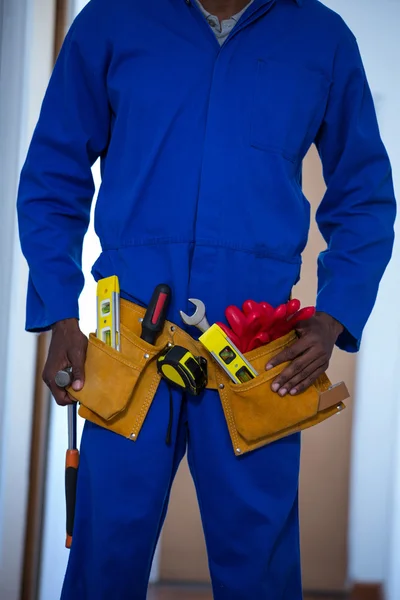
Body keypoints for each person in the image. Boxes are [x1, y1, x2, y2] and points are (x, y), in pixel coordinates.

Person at [17, 0, 396, 598]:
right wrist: (61, 315)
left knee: (261, 574)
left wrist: (333, 318)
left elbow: (366, 198)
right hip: (129, 346)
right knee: (102, 564)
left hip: (255, 355)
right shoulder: (113, 20)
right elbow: (50, 176)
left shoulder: (321, 38)